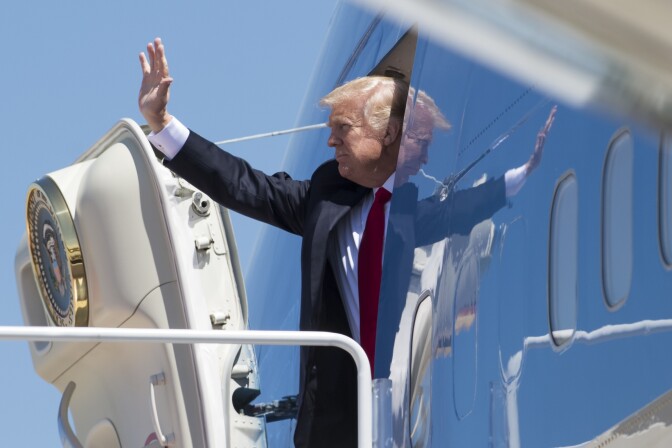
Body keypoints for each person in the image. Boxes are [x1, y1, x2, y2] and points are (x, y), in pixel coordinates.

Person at [138, 37, 554, 447]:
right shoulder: (324, 197)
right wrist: (163, 125)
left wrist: (527, 171)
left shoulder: (409, 211)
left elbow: (463, 208)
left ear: (388, 133)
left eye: (343, 128)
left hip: (404, 411)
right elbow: (241, 184)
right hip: (332, 423)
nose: (331, 141)